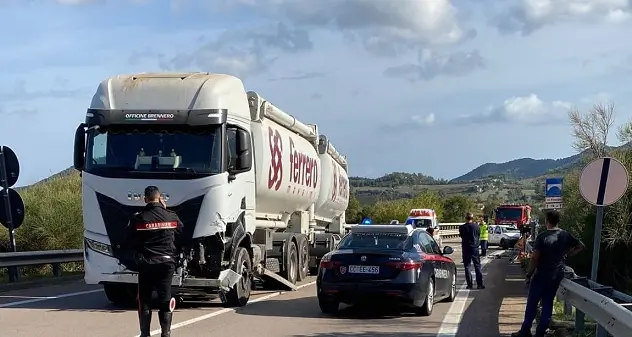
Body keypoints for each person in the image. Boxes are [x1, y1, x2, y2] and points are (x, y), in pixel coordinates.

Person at [511, 210, 585, 337]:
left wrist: (529, 275)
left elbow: (535, 258)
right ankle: (540, 332)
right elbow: (581, 246)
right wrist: (568, 253)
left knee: (532, 303)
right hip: (556, 275)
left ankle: (525, 331)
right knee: (547, 303)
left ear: (546, 221)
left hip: (541, 275)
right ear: (558, 221)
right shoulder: (565, 235)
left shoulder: (542, 236)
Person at [124, 186, 184, 337]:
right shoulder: (171, 216)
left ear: (145, 199)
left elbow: (128, 239)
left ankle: (145, 333)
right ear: (161, 198)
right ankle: (166, 333)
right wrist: (165, 210)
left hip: (147, 264)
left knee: (144, 301)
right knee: (165, 299)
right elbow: (181, 233)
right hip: (166, 264)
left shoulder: (139, 218)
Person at [459, 212, 485, 289]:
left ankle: (469, 284)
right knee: (477, 266)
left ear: (466, 218)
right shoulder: (477, 226)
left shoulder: (462, 227)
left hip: (466, 247)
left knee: (467, 266)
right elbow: (478, 235)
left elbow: (462, 236)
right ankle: (479, 284)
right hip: (475, 248)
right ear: (472, 218)